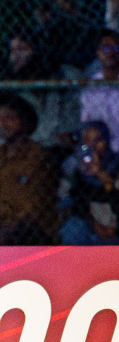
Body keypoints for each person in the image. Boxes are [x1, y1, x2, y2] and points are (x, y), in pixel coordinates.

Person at [58, 121, 119, 245]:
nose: (93, 146)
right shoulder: (75, 166)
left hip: (115, 226)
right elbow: (71, 201)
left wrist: (100, 173)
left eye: (98, 140)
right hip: (89, 225)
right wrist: (93, 224)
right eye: (87, 141)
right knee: (73, 229)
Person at [0, 92, 58, 244]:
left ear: (25, 123)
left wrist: (8, 222)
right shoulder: (2, 153)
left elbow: (31, 206)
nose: (3, 124)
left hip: (30, 229)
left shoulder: (37, 155)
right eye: (0, 118)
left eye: (10, 118)